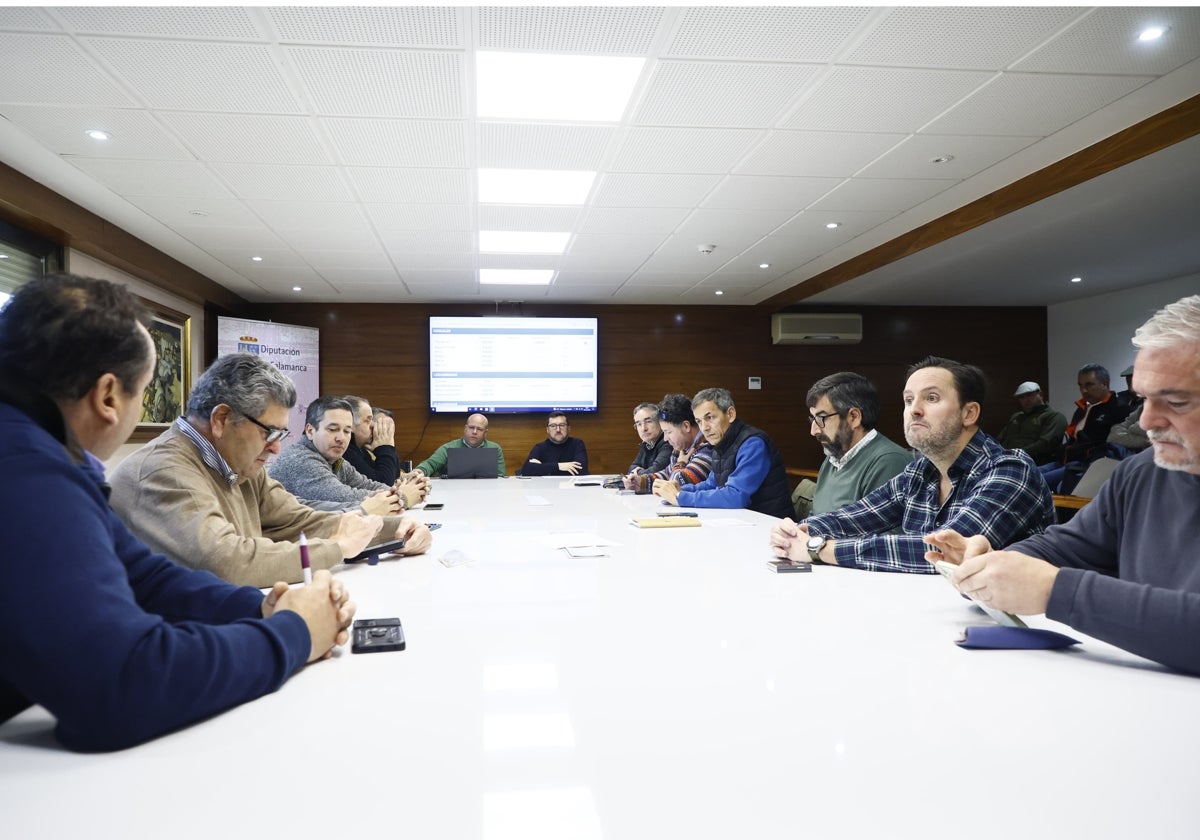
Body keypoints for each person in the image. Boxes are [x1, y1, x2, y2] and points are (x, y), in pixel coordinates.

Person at [0, 274, 355, 752]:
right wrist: (293, 635)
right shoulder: (28, 474)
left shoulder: (42, 457)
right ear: (108, 396)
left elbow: (147, 580)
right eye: (144, 392)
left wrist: (264, 606)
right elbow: (123, 683)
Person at [926, 295, 1200, 675]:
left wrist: (1057, 591)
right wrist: (989, 562)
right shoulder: (1141, 473)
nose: (1147, 421)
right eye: (1143, 399)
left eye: (1176, 402)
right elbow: (1067, 545)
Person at [110, 354, 432, 588]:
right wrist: (338, 549)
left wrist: (396, 528)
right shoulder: (164, 471)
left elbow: (301, 521)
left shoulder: (241, 466)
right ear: (221, 420)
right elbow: (227, 563)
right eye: (270, 433)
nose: (276, 448)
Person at [769, 356, 1055, 573]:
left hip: (1014, 632)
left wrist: (819, 549)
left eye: (931, 398)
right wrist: (798, 531)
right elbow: (854, 517)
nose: (914, 409)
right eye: (908, 400)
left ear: (969, 413)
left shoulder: (1010, 471)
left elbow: (942, 552)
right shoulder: (919, 472)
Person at [267, 395, 420, 514]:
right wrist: (403, 497)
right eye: (332, 429)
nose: (341, 438)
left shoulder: (334, 459)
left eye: (347, 431)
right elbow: (344, 498)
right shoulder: (301, 460)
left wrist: (400, 491)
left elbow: (368, 485)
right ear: (310, 430)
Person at [657, 387, 792, 518]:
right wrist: (680, 489)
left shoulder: (753, 443)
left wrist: (680, 497)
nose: (704, 427)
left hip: (771, 525)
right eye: (699, 421)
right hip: (745, 522)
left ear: (730, 414)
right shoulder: (720, 444)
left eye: (709, 417)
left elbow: (736, 495)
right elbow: (711, 485)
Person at [805, 372, 912, 515]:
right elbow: (817, 517)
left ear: (854, 417)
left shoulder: (890, 461)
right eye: (813, 419)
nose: (814, 430)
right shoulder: (832, 459)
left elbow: (884, 535)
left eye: (821, 418)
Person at [1040, 363, 1130, 493]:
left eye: (1089, 385)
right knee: (1026, 473)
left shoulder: (1119, 408)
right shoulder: (1081, 409)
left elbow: (1115, 446)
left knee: (1037, 481)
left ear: (1105, 384)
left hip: (1086, 466)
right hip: (1065, 461)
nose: (1084, 390)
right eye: (1080, 386)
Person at [624, 393, 715, 494]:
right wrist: (640, 481)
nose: (665, 438)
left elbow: (676, 485)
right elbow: (667, 474)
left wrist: (681, 463)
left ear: (686, 426)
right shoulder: (681, 449)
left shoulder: (708, 446)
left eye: (668, 432)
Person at [995, 381, 1068, 466]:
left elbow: (1044, 445)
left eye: (1029, 395)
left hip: (1034, 463)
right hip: (1004, 460)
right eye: (1022, 397)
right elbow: (999, 439)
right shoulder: (1016, 417)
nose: (1026, 400)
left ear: (1040, 394)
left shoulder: (1054, 417)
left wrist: (1014, 455)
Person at [415, 412, 506, 476]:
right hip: (452, 492)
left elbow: (500, 476)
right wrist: (420, 471)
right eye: (471, 427)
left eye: (479, 429)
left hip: (485, 493)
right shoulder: (449, 447)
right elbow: (430, 464)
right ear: (465, 428)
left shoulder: (495, 448)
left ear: (485, 433)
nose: (474, 432)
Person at [343, 394, 400, 484]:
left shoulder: (359, 448)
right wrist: (385, 447)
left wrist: (386, 447)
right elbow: (383, 483)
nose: (373, 425)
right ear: (350, 423)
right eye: (368, 420)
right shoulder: (346, 450)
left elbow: (394, 476)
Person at [519, 412, 588, 476]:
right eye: (553, 426)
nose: (558, 429)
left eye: (562, 425)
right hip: (547, 488)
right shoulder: (540, 447)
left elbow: (581, 470)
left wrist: (542, 467)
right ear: (547, 430)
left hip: (572, 487)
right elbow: (526, 470)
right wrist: (560, 466)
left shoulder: (577, 444)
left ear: (568, 428)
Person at [622, 402, 672, 488]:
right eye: (639, 424)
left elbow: (656, 470)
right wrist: (638, 472)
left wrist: (638, 473)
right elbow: (632, 467)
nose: (643, 428)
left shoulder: (667, 443)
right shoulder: (647, 444)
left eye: (648, 421)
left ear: (660, 422)